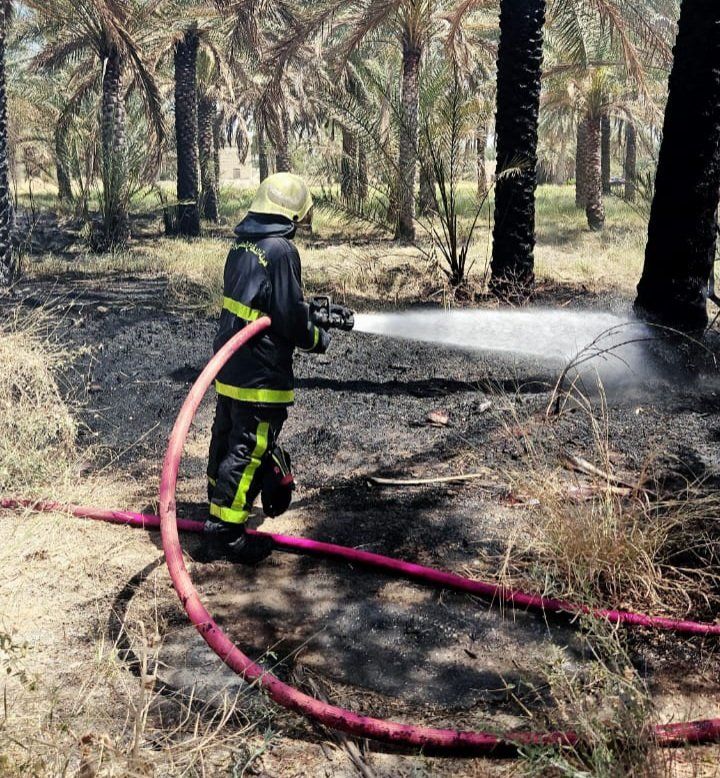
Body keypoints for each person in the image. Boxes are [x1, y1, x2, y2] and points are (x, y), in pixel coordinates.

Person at [204, 173, 330, 564]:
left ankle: (218, 506)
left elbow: (261, 302)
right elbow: (290, 318)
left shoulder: (242, 245)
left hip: (229, 365)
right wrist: (316, 336)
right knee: (251, 444)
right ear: (292, 213)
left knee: (226, 435)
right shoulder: (281, 250)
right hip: (261, 373)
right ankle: (226, 532)